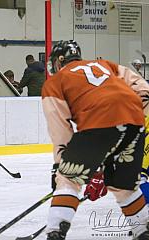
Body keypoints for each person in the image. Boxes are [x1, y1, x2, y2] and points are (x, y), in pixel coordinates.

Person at [42, 40, 149, 240]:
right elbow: (142, 88)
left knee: (69, 179)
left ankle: (54, 231)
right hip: (135, 122)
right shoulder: (105, 65)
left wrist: (60, 166)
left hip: (98, 122)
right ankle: (143, 231)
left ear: (59, 61)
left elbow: (60, 130)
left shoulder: (55, 82)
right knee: (123, 186)